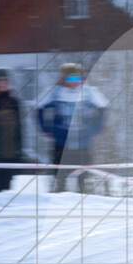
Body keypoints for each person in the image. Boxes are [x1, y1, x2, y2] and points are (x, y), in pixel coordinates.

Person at [37, 63, 107, 193]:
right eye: (70, 79)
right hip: (61, 139)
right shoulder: (55, 92)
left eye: (78, 79)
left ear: (83, 78)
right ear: (63, 79)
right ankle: (60, 194)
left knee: (83, 171)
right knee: (60, 170)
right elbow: (40, 108)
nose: (74, 83)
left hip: (83, 139)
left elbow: (102, 109)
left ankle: (83, 194)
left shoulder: (89, 92)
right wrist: (46, 128)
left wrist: (96, 129)